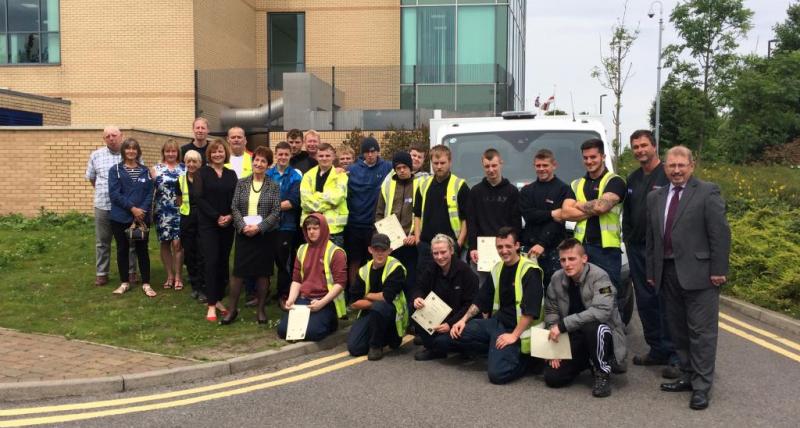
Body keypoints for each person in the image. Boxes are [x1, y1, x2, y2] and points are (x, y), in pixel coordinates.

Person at [646, 146, 731, 410]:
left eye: (682, 165)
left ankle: (702, 387)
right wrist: (651, 271)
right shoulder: (655, 197)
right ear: (665, 168)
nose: (677, 170)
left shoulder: (707, 192)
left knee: (702, 333)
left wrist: (719, 269)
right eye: (672, 165)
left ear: (692, 166)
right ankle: (687, 374)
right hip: (667, 272)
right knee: (678, 330)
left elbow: (720, 234)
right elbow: (652, 239)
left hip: (701, 274)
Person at [451, 227, 543, 384]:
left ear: (517, 246)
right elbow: (482, 298)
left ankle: (527, 361)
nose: (504, 251)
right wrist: (463, 320)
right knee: (460, 333)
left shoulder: (530, 271)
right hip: (498, 323)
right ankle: (497, 349)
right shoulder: (498, 268)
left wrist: (513, 336)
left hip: (519, 330)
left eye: (508, 246)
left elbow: (530, 311)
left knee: (497, 375)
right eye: (500, 247)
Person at [542, 238, 628, 398]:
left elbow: (602, 311)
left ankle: (603, 371)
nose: (567, 264)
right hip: (574, 335)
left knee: (592, 326)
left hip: (601, 333)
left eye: (572, 259)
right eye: (563, 260)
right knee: (553, 378)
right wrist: (554, 347)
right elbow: (551, 311)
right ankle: (587, 360)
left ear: (584, 259)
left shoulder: (601, 277)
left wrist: (563, 325)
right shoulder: (556, 279)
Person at [622, 130, 676, 376]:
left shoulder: (667, 175)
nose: (640, 150)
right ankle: (657, 349)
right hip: (637, 249)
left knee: (667, 301)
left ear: (654, 146)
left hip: (662, 251)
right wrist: (628, 239)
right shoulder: (632, 179)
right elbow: (628, 214)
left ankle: (675, 354)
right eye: (635, 146)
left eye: (644, 145)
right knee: (645, 302)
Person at [561, 139, 626, 317]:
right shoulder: (576, 184)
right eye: (585, 158)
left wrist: (579, 204)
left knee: (608, 298)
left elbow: (602, 207)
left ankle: (613, 341)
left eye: (593, 157)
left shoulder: (615, 181)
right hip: (581, 251)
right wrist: (593, 209)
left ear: (603, 157)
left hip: (606, 251)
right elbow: (565, 213)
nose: (589, 161)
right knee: (581, 299)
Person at [223, 146, 282, 325]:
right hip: (244, 234)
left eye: (263, 161)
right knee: (238, 272)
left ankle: (261, 309)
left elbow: (276, 210)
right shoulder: (241, 183)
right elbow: (234, 207)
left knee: (263, 273)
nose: (258, 163)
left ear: (268, 165)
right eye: (256, 159)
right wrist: (242, 226)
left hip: (264, 235)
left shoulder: (273, 185)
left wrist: (259, 227)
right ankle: (232, 309)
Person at [277, 213, 347, 342]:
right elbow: (297, 280)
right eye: (308, 229)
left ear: (323, 229)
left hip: (326, 300)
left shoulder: (336, 252)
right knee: (283, 331)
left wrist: (321, 303)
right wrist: (291, 299)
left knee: (313, 333)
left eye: (315, 228)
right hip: (305, 298)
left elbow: (340, 284)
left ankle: (331, 322)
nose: (311, 232)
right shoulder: (302, 249)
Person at [412, 234, 478, 361]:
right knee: (413, 307)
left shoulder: (465, 272)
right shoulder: (430, 267)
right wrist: (417, 298)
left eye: (443, 252)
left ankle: (466, 348)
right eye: (435, 253)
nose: (439, 257)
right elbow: (418, 287)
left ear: (452, 250)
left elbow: (470, 305)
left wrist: (450, 324)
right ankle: (433, 349)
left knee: (442, 342)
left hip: (460, 319)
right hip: (439, 315)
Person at [85, 126, 137, 286]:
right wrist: (104, 192)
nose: (111, 138)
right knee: (102, 241)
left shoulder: (130, 154)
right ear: (104, 139)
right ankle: (102, 273)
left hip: (125, 207)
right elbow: (92, 178)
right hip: (103, 205)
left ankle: (131, 272)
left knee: (130, 240)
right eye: (107, 136)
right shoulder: (96, 155)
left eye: (114, 135)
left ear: (121, 136)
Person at [347, 233, 408, 360]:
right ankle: (378, 337)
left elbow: (386, 297)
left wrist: (365, 295)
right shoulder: (363, 270)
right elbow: (353, 302)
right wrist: (374, 303)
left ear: (390, 251)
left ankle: (376, 346)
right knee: (355, 348)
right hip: (372, 311)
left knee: (380, 307)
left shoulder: (396, 268)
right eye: (376, 250)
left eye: (383, 250)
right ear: (370, 250)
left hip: (391, 313)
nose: (379, 253)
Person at [196, 139, 238, 322]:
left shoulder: (231, 174)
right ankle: (211, 304)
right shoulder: (201, 173)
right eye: (214, 152)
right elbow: (199, 198)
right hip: (208, 225)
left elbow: (236, 198)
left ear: (225, 153)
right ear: (209, 154)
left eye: (220, 151)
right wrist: (216, 217)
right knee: (211, 261)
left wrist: (229, 215)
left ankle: (219, 298)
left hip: (227, 225)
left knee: (222, 262)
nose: (217, 154)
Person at [107, 138, 154, 297]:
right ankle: (124, 282)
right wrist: (132, 208)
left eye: (134, 148)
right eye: (128, 148)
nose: (131, 151)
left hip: (142, 217)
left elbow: (149, 192)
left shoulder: (145, 170)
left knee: (142, 250)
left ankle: (146, 283)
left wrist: (142, 210)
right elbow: (114, 194)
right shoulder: (116, 170)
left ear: (138, 151)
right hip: (121, 217)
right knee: (122, 249)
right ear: (123, 151)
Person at [519, 149, 572, 288]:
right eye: (538, 166)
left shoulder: (564, 189)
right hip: (530, 250)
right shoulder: (527, 190)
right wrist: (551, 214)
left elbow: (559, 221)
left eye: (545, 165)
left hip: (554, 249)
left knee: (555, 292)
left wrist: (542, 243)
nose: (541, 169)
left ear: (554, 165)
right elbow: (529, 216)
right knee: (530, 291)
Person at [345, 137, 393, 289]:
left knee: (374, 260)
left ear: (378, 152)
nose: (370, 155)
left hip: (375, 226)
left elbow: (404, 168)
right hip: (354, 223)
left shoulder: (387, 167)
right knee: (354, 260)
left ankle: (371, 290)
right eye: (367, 152)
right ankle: (353, 293)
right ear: (362, 154)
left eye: (373, 151)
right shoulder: (352, 170)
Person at [414, 144, 469, 275]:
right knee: (425, 287)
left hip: (450, 248)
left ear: (450, 162)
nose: (439, 166)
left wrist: (459, 244)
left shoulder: (460, 185)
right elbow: (416, 215)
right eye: (436, 163)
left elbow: (466, 219)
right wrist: (418, 241)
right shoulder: (423, 184)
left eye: (443, 163)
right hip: (426, 247)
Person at [467, 149, 521, 281]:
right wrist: (473, 247)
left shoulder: (512, 191)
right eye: (487, 166)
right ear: (483, 166)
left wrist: (513, 247)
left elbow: (516, 223)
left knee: (505, 287)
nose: (491, 170)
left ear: (501, 164)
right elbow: (471, 222)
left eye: (494, 165)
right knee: (482, 289)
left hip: (505, 249)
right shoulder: (476, 191)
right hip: (481, 251)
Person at [375, 151, 418, 314]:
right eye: (398, 167)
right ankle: (394, 314)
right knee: (393, 279)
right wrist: (381, 236)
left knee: (411, 281)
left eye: (404, 167)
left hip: (411, 242)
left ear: (410, 167)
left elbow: (422, 214)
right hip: (392, 244)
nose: (401, 170)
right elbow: (379, 212)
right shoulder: (387, 186)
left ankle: (411, 315)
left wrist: (415, 235)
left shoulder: (420, 184)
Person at [267, 141, 303, 306]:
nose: (282, 157)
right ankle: (264, 292)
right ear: (276, 155)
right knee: (267, 259)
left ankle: (284, 293)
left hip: (286, 225)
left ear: (290, 156)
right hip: (267, 225)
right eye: (280, 154)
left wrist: (271, 206)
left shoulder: (296, 176)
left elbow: (293, 202)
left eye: (286, 154)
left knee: (283, 261)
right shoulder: (267, 174)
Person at [151, 140, 185, 290]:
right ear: (163, 152)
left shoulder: (184, 168)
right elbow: (149, 190)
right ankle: (169, 276)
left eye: (173, 151)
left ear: (178, 152)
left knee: (178, 244)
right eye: (167, 151)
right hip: (162, 211)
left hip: (180, 210)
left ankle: (178, 276)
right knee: (165, 243)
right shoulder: (155, 169)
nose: (170, 154)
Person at [299, 143, 348, 247]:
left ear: (333, 157)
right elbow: (305, 202)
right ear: (316, 157)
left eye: (327, 155)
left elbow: (337, 198)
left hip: (333, 230)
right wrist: (328, 202)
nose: (324, 158)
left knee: (333, 261)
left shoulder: (341, 176)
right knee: (313, 262)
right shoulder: (308, 176)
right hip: (311, 229)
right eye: (321, 156)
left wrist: (315, 196)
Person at [178, 150, 206, 302]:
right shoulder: (180, 180)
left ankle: (203, 287)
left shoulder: (205, 179)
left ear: (200, 164)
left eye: (195, 161)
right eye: (188, 161)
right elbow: (179, 200)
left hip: (202, 220)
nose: (191, 164)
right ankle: (195, 285)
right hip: (187, 221)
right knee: (189, 254)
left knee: (202, 254)